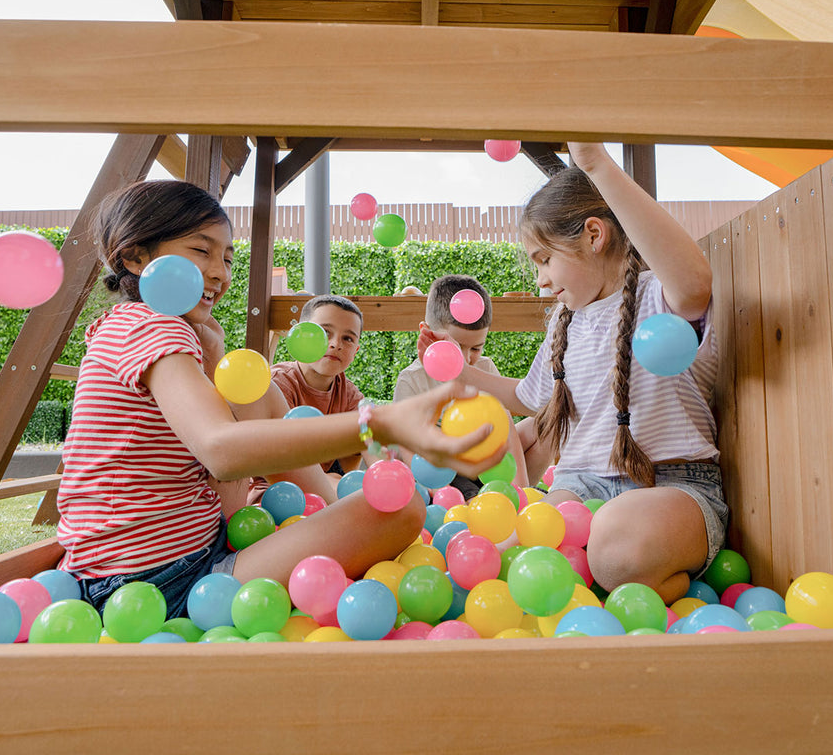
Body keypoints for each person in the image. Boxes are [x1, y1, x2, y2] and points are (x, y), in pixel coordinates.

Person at [55, 179, 503, 618]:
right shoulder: (152, 326)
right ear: (136, 257)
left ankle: (329, 509)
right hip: (158, 587)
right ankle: (332, 512)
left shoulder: (134, 326)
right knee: (400, 507)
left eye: (227, 258)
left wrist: (214, 355)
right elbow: (221, 449)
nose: (219, 272)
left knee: (253, 384)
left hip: (153, 567)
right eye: (200, 250)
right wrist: (377, 423)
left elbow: (245, 433)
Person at [421, 143, 727, 603]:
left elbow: (694, 284)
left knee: (614, 552)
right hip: (581, 485)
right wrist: (456, 370)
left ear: (594, 235)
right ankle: (628, 582)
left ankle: (660, 580)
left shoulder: (655, 298)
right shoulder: (564, 324)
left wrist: (598, 166)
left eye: (544, 259)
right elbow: (528, 397)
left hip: (670, 484)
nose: (541, 280)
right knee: (522, 562)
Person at [394, 274, 529, 499]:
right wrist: (441, 495)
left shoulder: (485, 368)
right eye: (456, 348)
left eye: (476, 349)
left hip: (485, 460)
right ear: (428, 333)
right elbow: (408, 449)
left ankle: (509, 493)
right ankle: (475, 499)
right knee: (467, 493)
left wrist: (521, 491)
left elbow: (506, 429)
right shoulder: (413, 379)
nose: (466, 360)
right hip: (444, 469)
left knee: (543, 424)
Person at [271, 294, 366, 476]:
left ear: (356, 350)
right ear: (300, 335)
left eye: (347, 338)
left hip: (321, 483)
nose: (335, 344)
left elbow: (370, 441)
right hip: (274, 485)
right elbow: (285, 462)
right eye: (325, 332)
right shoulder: (278, 384)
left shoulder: (349, 394)